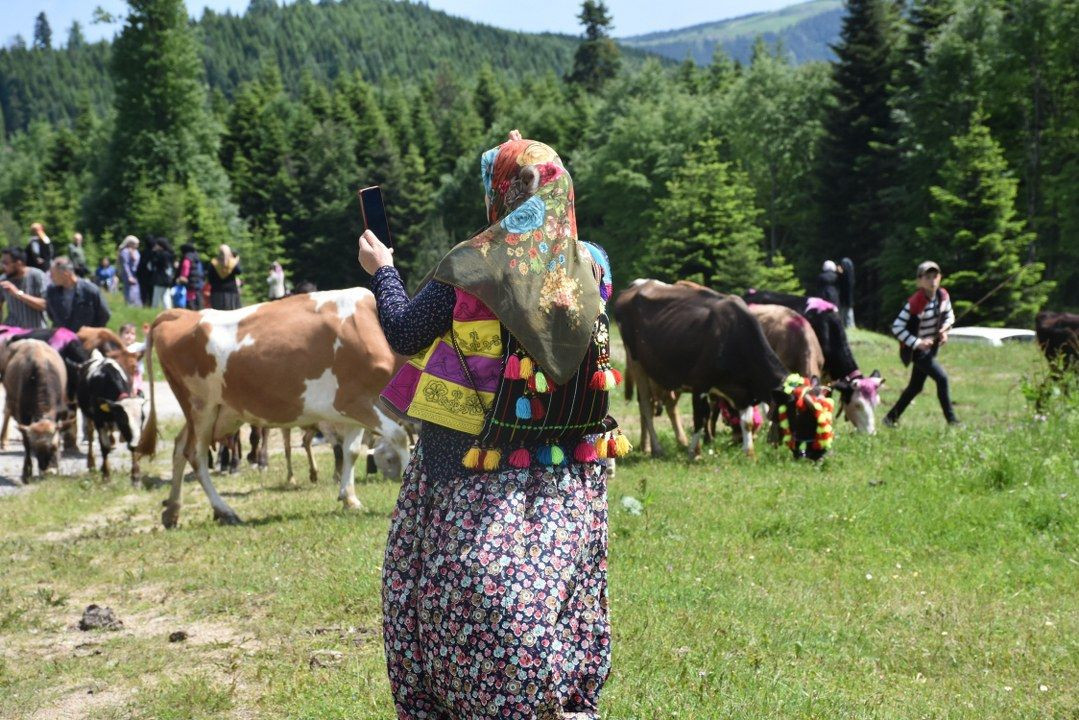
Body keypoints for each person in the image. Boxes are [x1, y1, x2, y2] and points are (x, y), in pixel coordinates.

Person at [362, 131, 617, 719]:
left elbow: (402, 332)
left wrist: (384, 271)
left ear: (498, 195)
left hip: (468, 468)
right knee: (560, 594)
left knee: (452, 596)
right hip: (567, 475)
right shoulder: (593, 264)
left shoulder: (471, 265)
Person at [883, 260, 959, 427]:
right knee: (942, 379)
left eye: (935, 276)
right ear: (919, 281)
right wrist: (917, 342)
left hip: (932, 349)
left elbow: (950, 316)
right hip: (918, 352)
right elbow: (896, 327)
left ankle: (890, 419)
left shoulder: (942, 296)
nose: (932, 280)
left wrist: (945, 330)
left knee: (915, 387)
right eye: (927, 277)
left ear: (940, 278)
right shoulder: (914, 303)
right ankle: (952, 421)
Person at [45, 256, 111, 332]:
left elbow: (104, 315)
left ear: (65, 273)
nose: (50, 277)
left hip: (85, 340)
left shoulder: (90, 290)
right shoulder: (51, 291)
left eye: (53, 274)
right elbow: (51, 315)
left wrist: (92, 332)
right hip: (62, 339)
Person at [0, 247, 49, 329]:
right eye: (2, 262)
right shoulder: (3, 279)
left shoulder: (37, 276)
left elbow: (44, 305)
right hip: (12, 330)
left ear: (19, 263)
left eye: (6, 263)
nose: (2, 266)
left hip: (36, 331)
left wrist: (17, 293)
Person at [207, 244, 242, 310]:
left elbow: (210, 278)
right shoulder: (233, 262)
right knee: (231, 314)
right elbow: (239, 271)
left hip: (216, 293)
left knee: (217, 314)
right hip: (231, 293)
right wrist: (236, 260)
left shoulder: (214, 263)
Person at [148, 237, 176, 309]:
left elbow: (150, 266)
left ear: (160, 245)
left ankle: (154, 310)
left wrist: (153, 253)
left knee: (156, 297)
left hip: (159, 278)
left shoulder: (159, 255)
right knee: (166, 296)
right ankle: (168, 311)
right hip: (167, 279)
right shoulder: (169, 254)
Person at [176, 243, 206, 310]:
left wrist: (183, 277)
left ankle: (191, 312)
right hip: (199, 282)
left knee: (190, 299)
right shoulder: (196, 257)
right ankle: (199, 310)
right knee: (198, 298)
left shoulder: (187, 258)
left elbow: (185, 269)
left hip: (191, 282)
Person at [118, 235, 141, 305]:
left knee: (136, 291)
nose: (137, 245)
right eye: (135, 244)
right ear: (130, 243)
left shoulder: (136, 251)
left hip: (136, 274)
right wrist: (129, 276)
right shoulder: (125, 252)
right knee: (130, 291)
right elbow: (125, 265)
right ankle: (129, 305)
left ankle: (136, 305)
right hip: (129, 275)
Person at [838, 256, 855, 328]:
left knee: (846, 311)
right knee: (847, 311)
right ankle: (849, 325)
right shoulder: (850, 274)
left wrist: (839, 273)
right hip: (847, 297)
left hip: (845, 297)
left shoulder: (846, 275)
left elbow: (843, 281)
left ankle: (847, 325)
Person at [136, 238, 154, 307]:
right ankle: (150, 304)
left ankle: (144, 304)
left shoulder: (143, 252)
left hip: (142, 275)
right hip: (151, 275)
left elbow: (140, 264)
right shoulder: (154, 253)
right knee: (151, 292)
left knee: (143, 291)